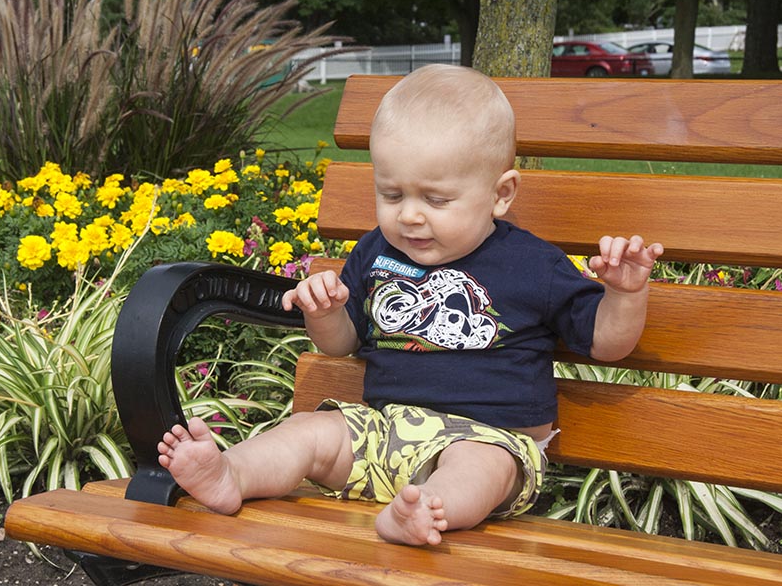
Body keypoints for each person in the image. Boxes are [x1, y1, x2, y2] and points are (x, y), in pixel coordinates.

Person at [157, 64, 664, 546]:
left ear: (501, 194)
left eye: (436, 200)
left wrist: (625, 292)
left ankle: (423, 510)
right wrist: (325, 313)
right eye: (392, 194)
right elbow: (342, 344)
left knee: (480, 468)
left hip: (491, 436)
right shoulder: (376, 253)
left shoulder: (533, 264)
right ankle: (231, 474)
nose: (411, 217)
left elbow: (607, 344)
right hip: (384, 430)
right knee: (309, 431)